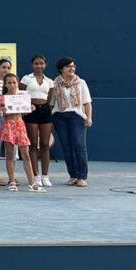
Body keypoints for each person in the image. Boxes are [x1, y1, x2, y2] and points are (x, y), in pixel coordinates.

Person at [48, 56, 93, 188]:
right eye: (68, 66)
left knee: (79, 146)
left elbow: (87, 102)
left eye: (73, 66)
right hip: (59, 117)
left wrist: (89, 117)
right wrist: (50, 120)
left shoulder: (81, 83)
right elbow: (51, 103)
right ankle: (72, 175)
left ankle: (82, 176)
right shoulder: (54, 83)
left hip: (77, 116)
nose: (72, 68)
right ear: (61, 69)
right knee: (66, 147)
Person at [0, 73, 44, 192]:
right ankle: (12, 181)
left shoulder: (22, 97)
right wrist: (2, 111)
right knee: (10, 155)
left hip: (20, 125)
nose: (12, 85)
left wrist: (30, 108)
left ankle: (32, 183)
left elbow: (22, 113)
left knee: (26, 155)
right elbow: (1, 115)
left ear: (17, 83)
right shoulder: (2, 98)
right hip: (8, 125)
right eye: (9, 83)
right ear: (5, 84)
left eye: (14, 82)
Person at [21, 54, 55, 187]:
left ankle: (45, 176)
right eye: (36, 63)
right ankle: (36, 176)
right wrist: (28, 107)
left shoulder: (49, 81)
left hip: (45, 111)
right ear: (32, 65)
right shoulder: (26, 79)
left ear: (45, 65)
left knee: (45, 144)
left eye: (41, 63)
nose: (39, 66)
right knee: (33, 143)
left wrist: (46, 108)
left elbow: (50, 99)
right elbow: (21, 95)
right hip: (31, 112)